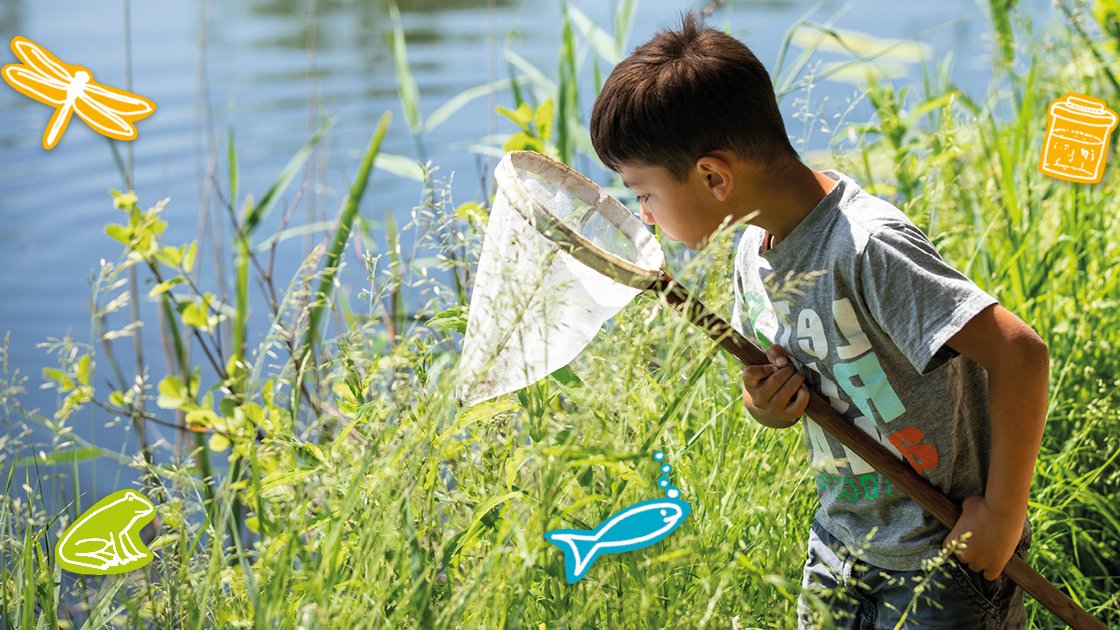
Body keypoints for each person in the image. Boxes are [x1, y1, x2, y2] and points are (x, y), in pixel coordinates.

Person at [588, 10, 1049, 629]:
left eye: (643, 192)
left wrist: (1002, 516)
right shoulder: (754, 252)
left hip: (942, 556)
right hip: (840, 545)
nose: (644, 213)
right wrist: (766, 404)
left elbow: (1020, 353)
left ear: (713, 176)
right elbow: (783, 386)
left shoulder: (866, 248)